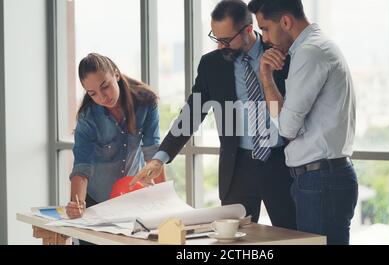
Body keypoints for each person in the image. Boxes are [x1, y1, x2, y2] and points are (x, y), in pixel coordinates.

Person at [131, 0, 296, 230]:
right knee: (233, 241)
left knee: (293, 236)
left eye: (226, 40)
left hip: (283, 163)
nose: (220, 46)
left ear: (248, 30)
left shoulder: (282, 54)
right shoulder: (212, 65)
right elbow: (191, 113)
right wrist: (161, 157)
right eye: (216, 38)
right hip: (238, 167)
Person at [248, 0, 359, 244]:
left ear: (286, 21)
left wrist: (265, 76)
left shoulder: (311, 52)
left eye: (265, 28)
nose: (264, 38)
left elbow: (287, 127)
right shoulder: (313, 48)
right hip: (319, 179)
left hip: (321, 181)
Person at [65, 53, 165, 220]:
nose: (102, 97)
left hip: (133, 199)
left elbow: (153, 155)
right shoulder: (88, 118)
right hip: (96, 203)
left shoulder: (146, 102)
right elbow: (81, 167)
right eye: (93, 93)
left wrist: (163, 201)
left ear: (116, 74)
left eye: (105, 86)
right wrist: (77, 205)